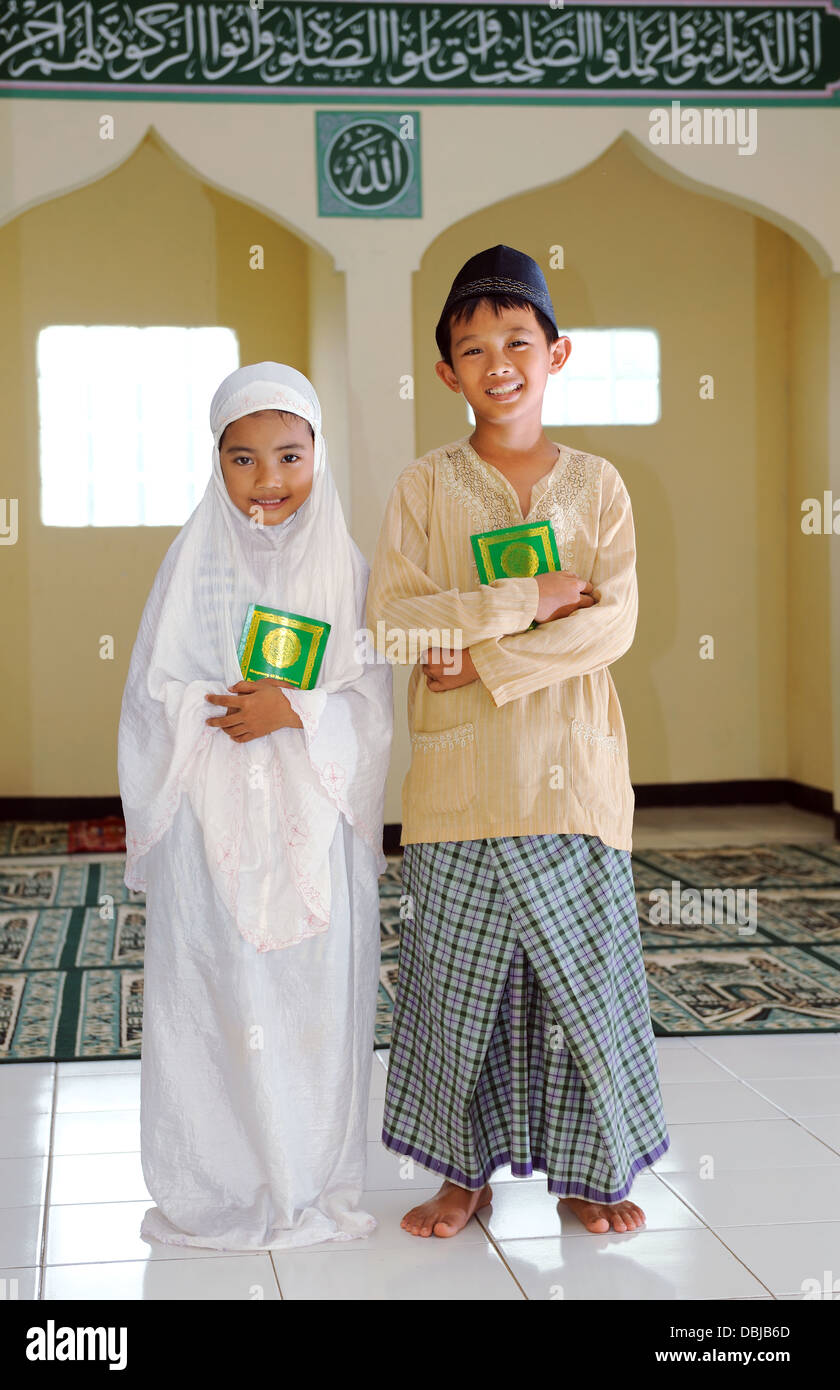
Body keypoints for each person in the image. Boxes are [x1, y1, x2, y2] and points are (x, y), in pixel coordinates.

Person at [366, 245, 669, 1238]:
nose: (498, 361)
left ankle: (592, 1172)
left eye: (517, 341)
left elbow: (612, 624)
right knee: (459, 993)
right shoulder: (425, 486)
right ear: (448, 372)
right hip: (459, 787)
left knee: (583, 987)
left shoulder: (597, 485)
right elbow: (394, 623)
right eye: (473, 347)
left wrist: (489, 657)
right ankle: (463, 1177)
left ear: (556, 352)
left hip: (572, 776)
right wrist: (520, 599)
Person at [118, 361, 393, 1251]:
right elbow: (150, 694)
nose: (267, 481)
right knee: (219, 994)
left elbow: (370, 706)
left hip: (310, 832)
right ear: (216, 465)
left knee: (311, 1006)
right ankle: (219, 1179)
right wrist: (219, 703)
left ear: (318, 454)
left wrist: (297, 709)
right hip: (211, 825)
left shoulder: (346, 568)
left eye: (287, 455)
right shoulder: (194, 564)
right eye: (243, 459)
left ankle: (308, 1177)